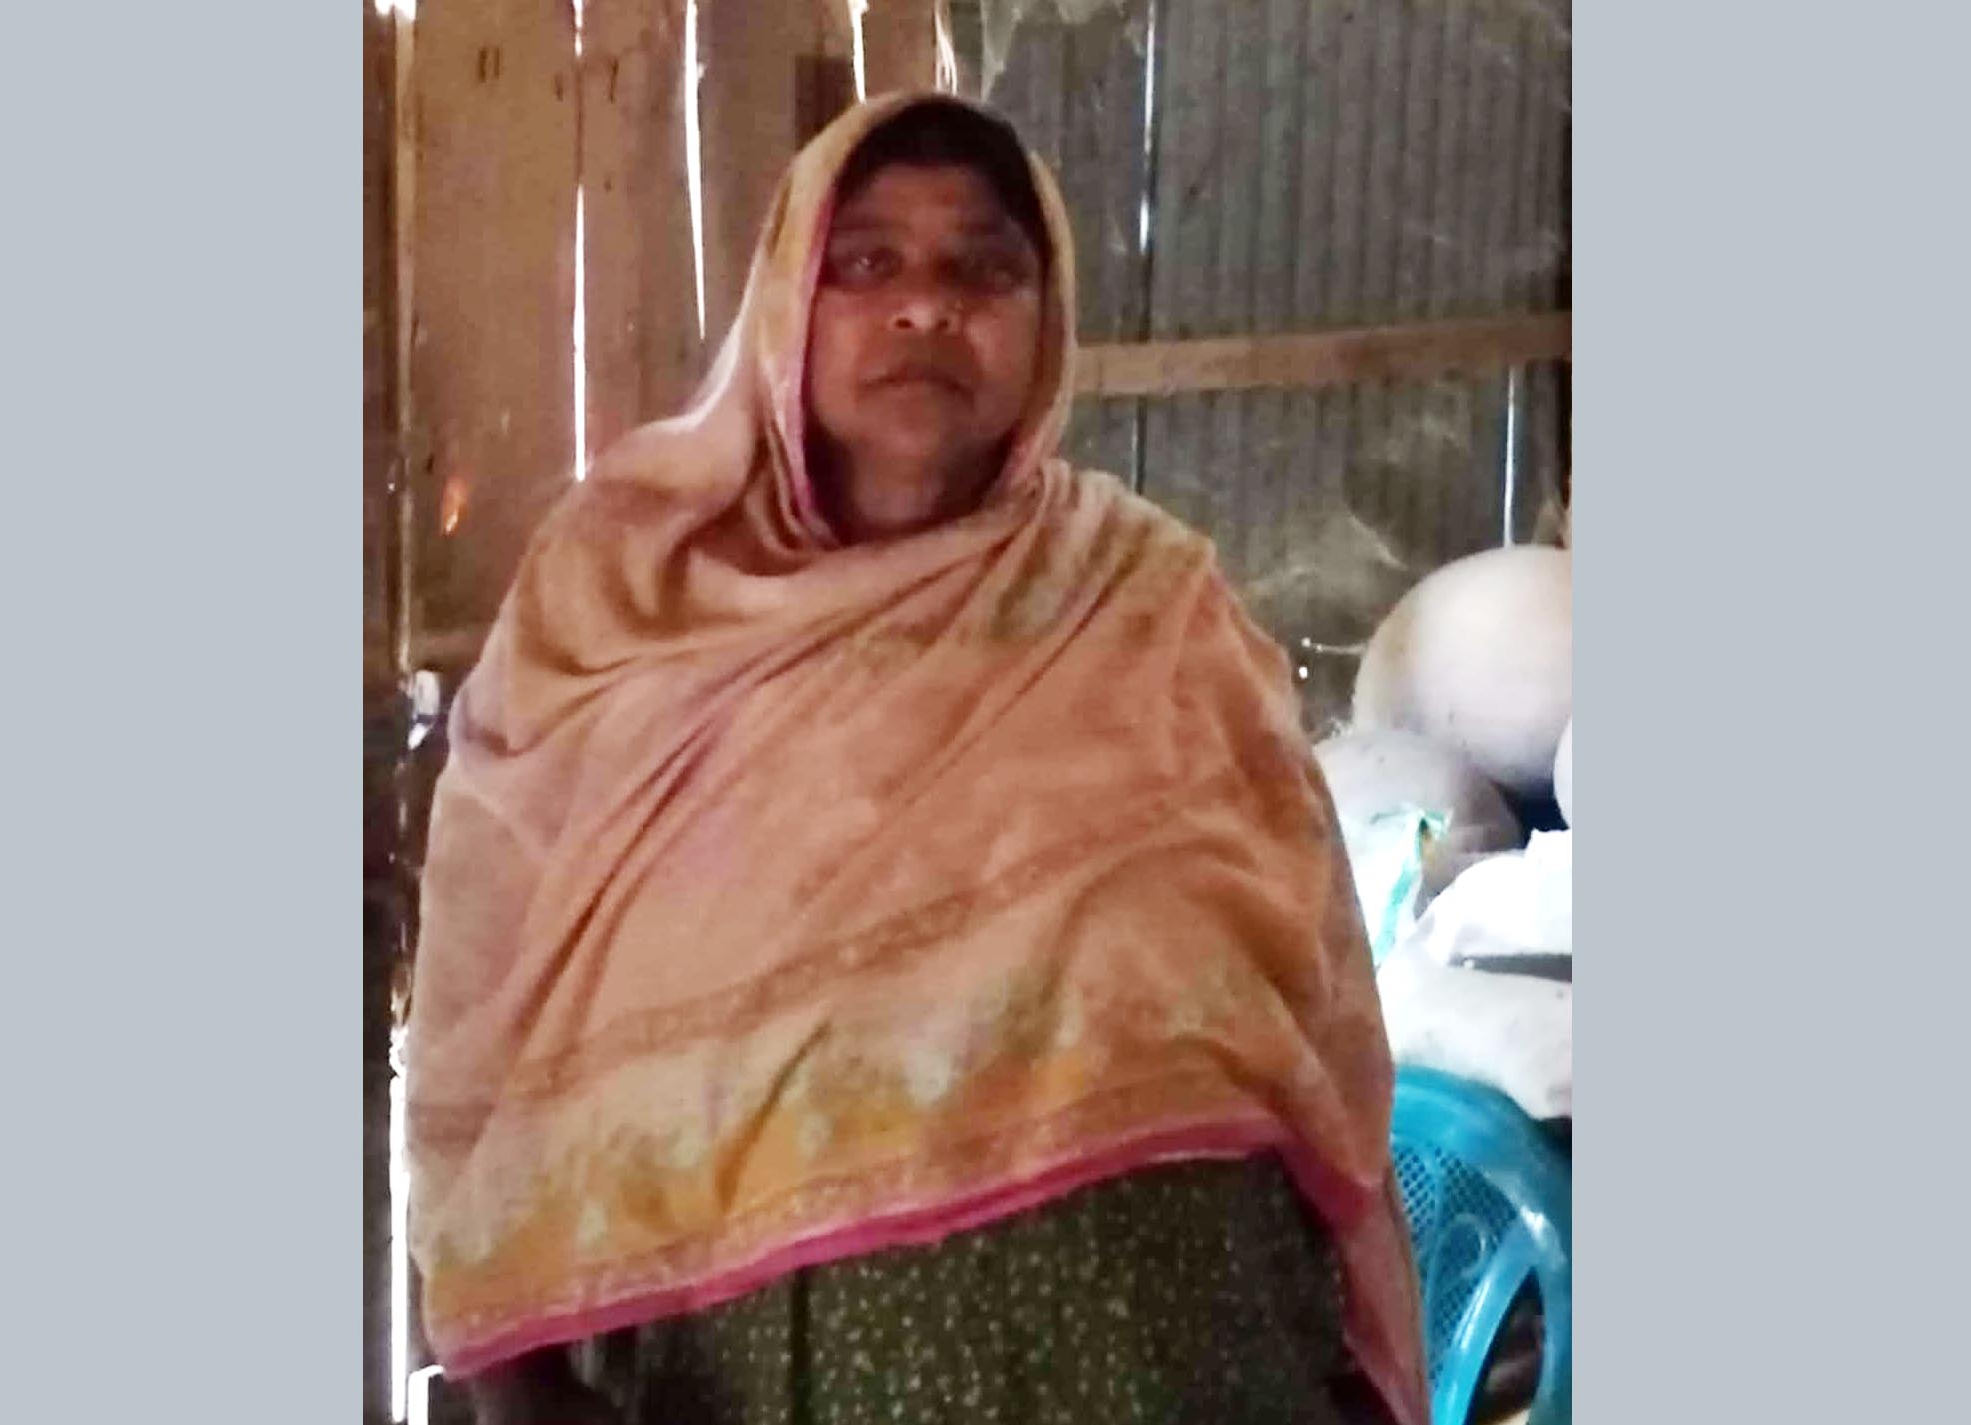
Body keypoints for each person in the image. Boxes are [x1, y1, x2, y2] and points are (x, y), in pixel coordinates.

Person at [405, 92, 1430, 1425]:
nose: (927, 306)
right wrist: (512, 1375)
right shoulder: (627, 603)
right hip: (773, 1376)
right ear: (789, 298)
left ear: (1046, 319)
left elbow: (1315, 978)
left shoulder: (1146, 602)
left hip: (1176, 1352)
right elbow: (484, 985)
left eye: (984, 269)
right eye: (868, 262)